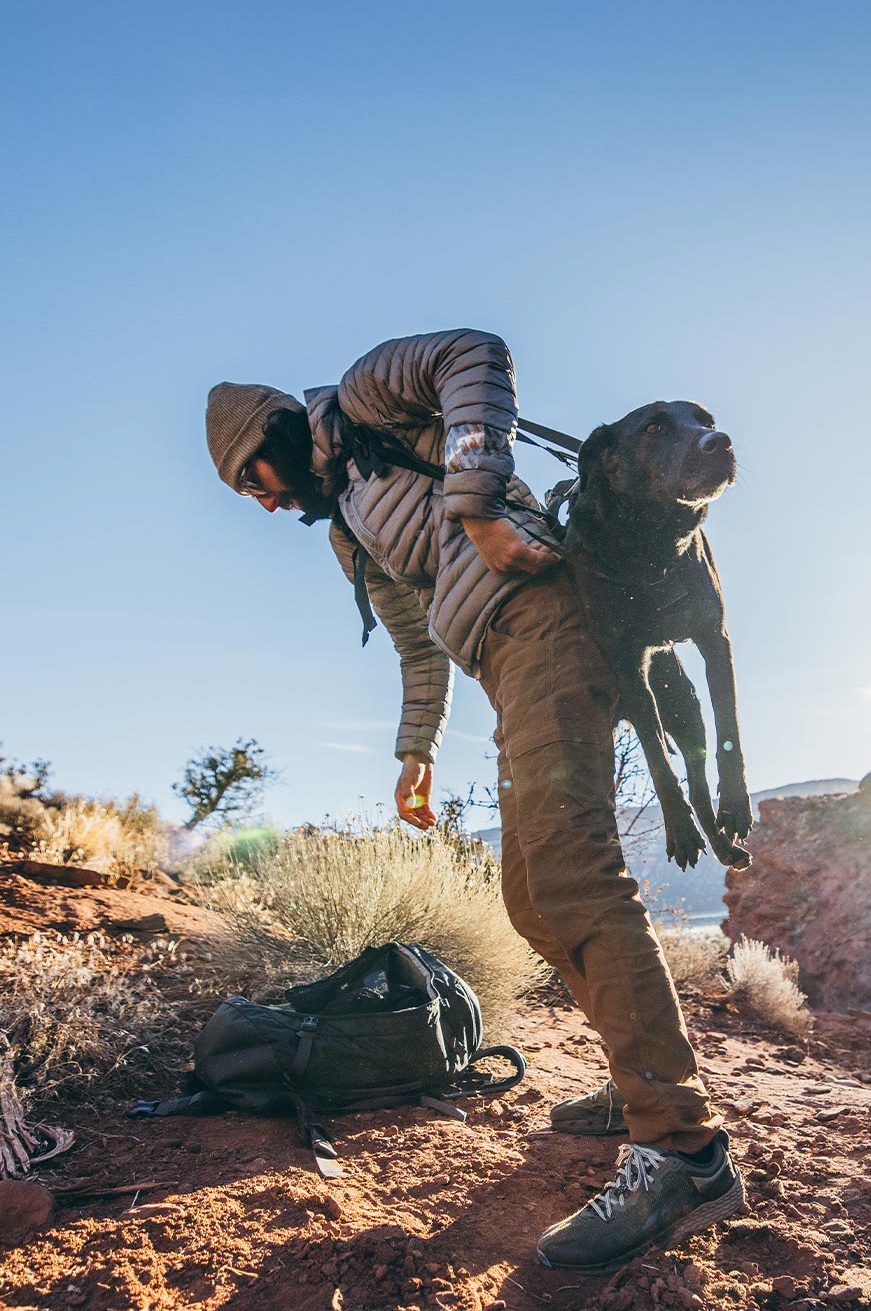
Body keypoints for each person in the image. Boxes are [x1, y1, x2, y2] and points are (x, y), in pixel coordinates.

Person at [204, 328, 743, 1273]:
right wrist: (414, 751)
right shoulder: (351, 523)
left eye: (253, 479)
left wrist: (482, 505)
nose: (263, 501)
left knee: (576, 875)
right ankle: (639, 1083)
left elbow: (473, 355)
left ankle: (684, 1152)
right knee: (530, 899)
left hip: (549, 618)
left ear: (269, 433)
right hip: (503, 662)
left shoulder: (365, 403)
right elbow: (418, 646)